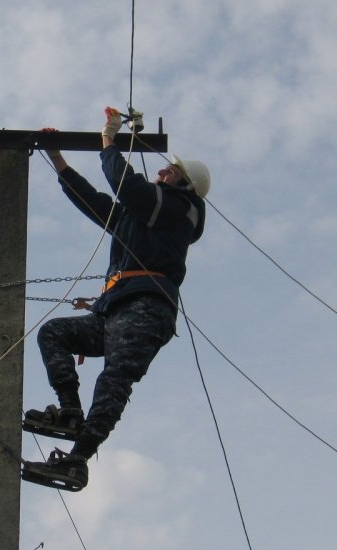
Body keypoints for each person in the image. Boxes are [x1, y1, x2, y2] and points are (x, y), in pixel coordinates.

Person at [21, 107, 210, 491]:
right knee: (54, 333)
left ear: (184, 184)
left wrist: (108, 140)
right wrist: (56, 158)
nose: (161, 172)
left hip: (146, 309)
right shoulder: (143, 217)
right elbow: (94, 200)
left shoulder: (180, 209)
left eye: (168, 171)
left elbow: (127, 185)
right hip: (114, 310)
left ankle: (78, 459)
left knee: (113, 381)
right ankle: (71, 411)